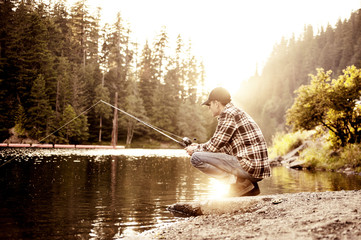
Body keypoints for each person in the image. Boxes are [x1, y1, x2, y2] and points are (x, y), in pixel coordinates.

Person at [185, 87, 271, 197]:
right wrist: (199, 146)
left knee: (196, 158)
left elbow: (215, 145)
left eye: (209, 105)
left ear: (216, 103)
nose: (209, 108)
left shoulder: (228, 114)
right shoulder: (235, 112)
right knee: (199, 154)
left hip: (249, 167)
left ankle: (239, 183)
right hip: (256, 168)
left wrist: (195, 150)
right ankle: (246, 185)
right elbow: (222, 147)